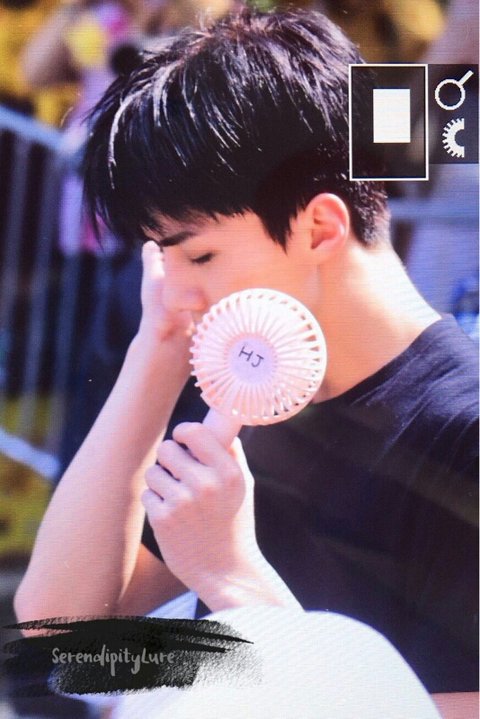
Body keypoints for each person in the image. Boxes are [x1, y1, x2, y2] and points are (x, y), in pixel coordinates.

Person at [14, 7, 478, 698]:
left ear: (320, 228)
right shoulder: (257, 396)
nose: (172, 289)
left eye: (199, 254)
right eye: (159, 255)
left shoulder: (462, 433)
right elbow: (67, 634)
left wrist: (234, 579)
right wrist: (156, 349)